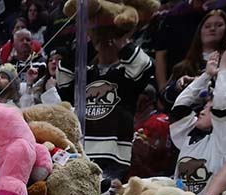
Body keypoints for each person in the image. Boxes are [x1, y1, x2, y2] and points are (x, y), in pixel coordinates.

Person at [58, 31, 155, 184]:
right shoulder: (85, 75)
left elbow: (144, 65)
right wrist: (92, 43)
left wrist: (119, 40)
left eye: (108, 40)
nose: (105, 43)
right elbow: (62, 76)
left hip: (114, 158)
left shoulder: (126, 76)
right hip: (80, 153)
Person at [170, 40, 226, 194]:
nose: (201, 112)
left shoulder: (225, 140)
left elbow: (224, 102)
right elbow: (180, 106)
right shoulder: (188, 137)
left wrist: (225, 71)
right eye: (202, 108)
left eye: (208, 109)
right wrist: (206, 75)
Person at [162, 9, 226, 105]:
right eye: (207, 26)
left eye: (219, 25)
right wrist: (178, 86)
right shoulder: (183, 67)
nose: (212, 29)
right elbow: (165, 99)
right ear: (200, 31)